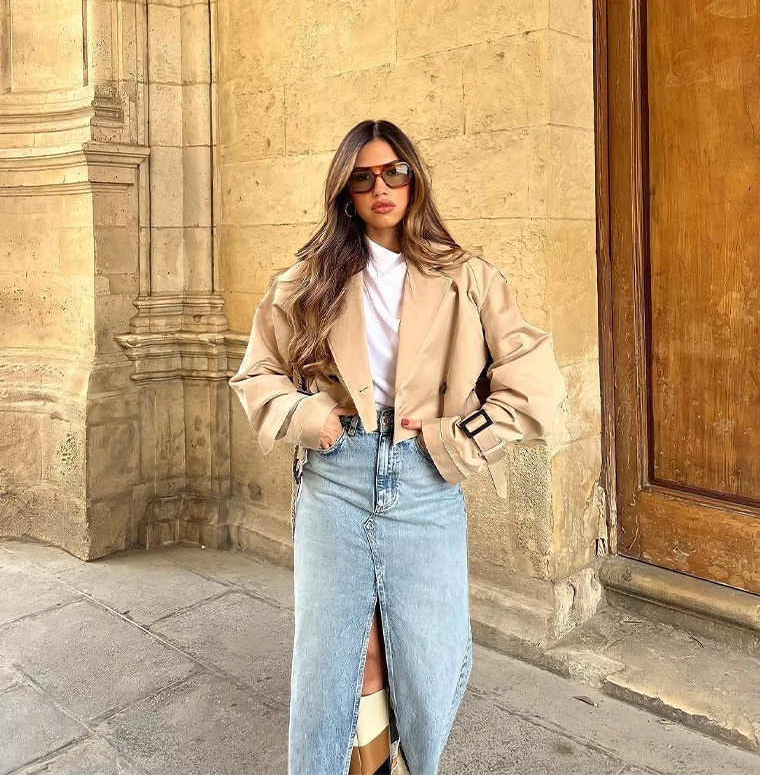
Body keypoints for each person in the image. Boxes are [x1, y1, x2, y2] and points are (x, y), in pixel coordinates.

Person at [230, 119, 567, 775]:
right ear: (345, 192)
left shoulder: (468, 277)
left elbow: (536, 383)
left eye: (394, 172)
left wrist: (462, 441)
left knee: (424, 657)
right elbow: (257, 374)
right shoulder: (308, 279)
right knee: (341, 657)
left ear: (415, 178)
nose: (380, 188)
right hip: (338, 474)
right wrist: (305, 416)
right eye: (363, 178)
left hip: (424, 478)